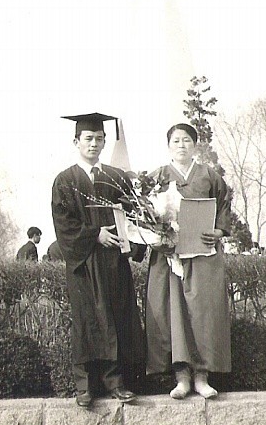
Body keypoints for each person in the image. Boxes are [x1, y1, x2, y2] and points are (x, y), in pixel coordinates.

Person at [51, 112, 146, 407]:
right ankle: (85, 386)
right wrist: (94, 235)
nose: (94, 143)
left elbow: (133, 217)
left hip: (114, 263)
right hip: (84, 265)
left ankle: (118, 383)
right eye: (88, 138)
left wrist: (135, 241)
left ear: (105, 142)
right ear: (76, 141)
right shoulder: (64, 181)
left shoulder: (116, 178)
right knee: (87, 322)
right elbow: (63, 224)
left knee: (117, 320)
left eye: (99, 138)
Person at [146, 123, 232, 400]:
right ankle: (181, 377)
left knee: (204, 313)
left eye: (186, 140)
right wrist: (157, 235)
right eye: (175, 140)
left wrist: (219, 231)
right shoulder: (157, 177)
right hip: (169, 256)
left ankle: (202, 376)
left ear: (195, 145)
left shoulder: (209, 175)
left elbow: (224, 205)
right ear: (168, 145)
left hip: (202, 254)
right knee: (174, 313)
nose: (181, 145)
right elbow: (144, 215)